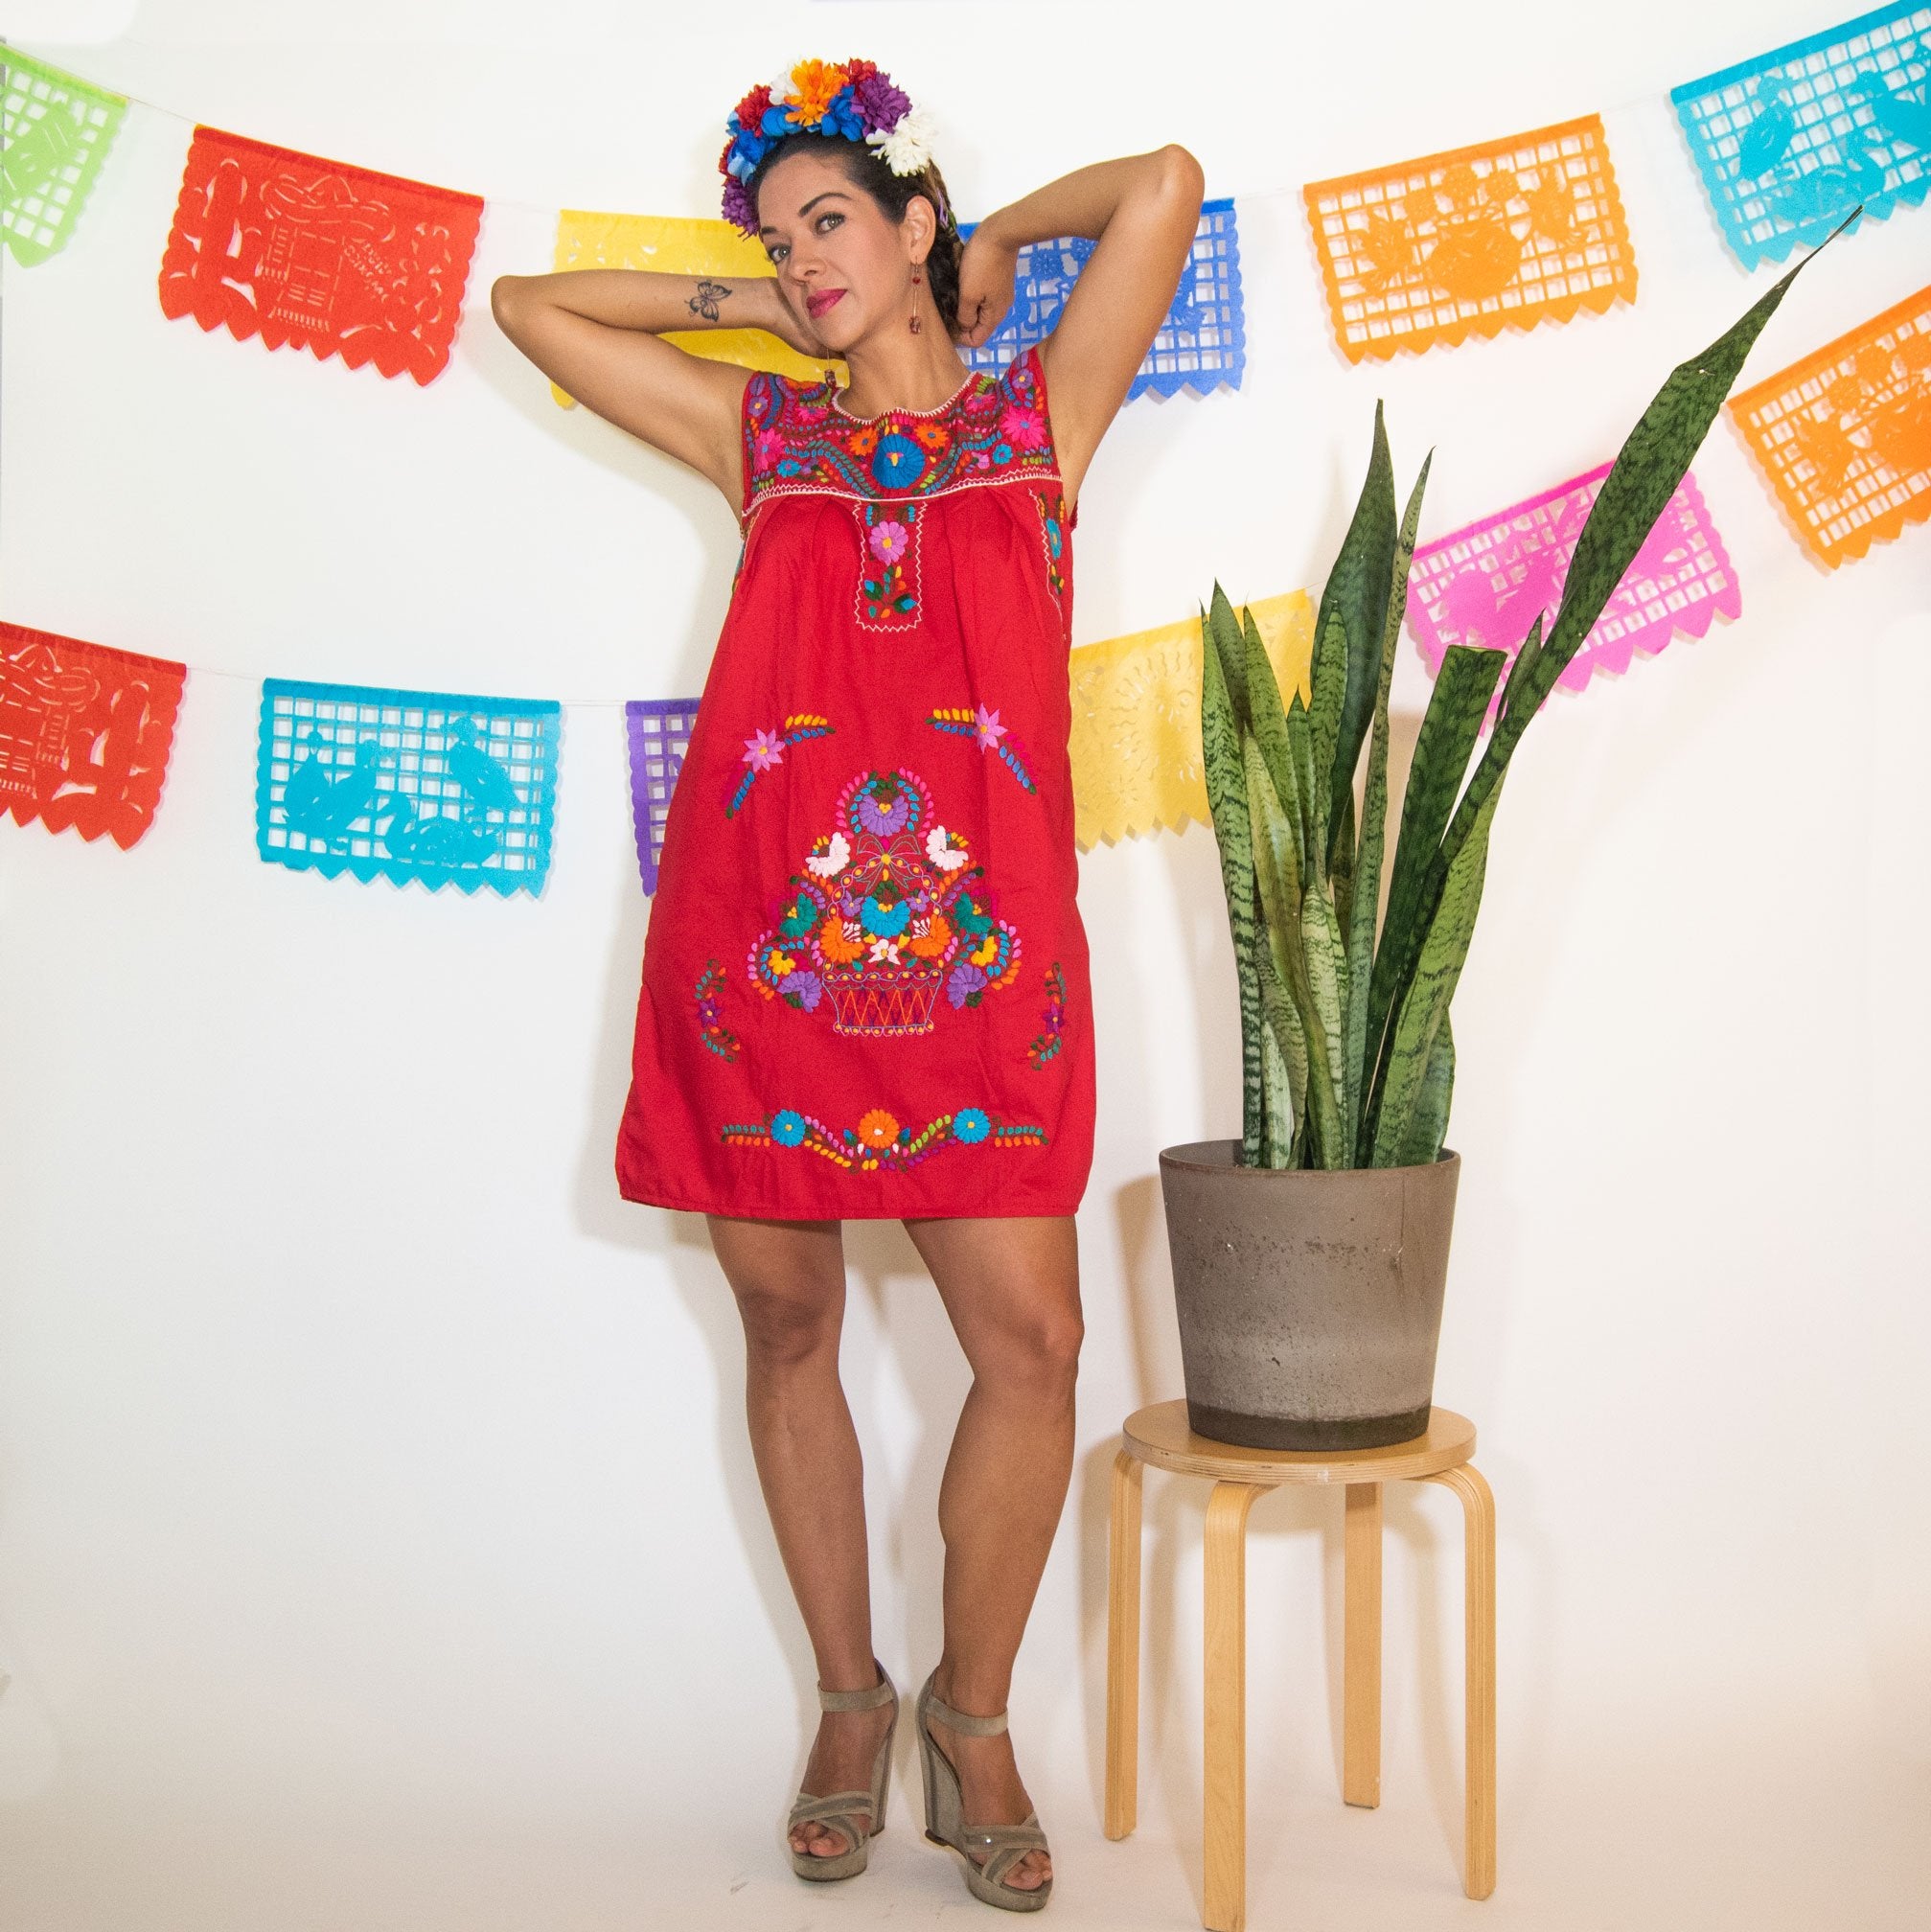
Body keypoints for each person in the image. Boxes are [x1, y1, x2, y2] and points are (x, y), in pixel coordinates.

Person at [491, 56, 1202, 1912]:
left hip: (981, 956)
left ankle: (977, 1720)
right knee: (789, 1327)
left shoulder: (1048, 410)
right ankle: (847, 1702)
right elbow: (532, 308)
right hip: (758, 951)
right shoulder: (765, 438)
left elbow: (1166, 183)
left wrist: (984, 250)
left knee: (1031, 1345)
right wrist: (760, 301)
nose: (801, 259)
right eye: (775, 232)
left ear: (910, 223)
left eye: (833, 223)